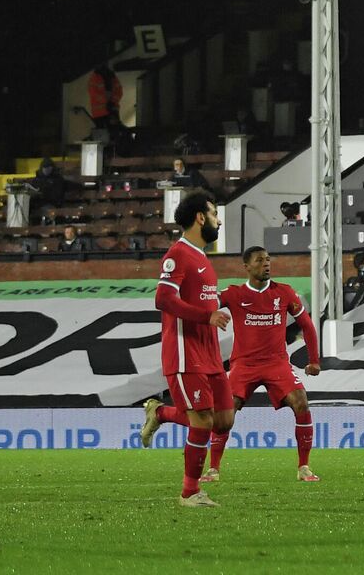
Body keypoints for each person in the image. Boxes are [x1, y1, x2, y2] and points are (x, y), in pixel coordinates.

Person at [192, 246, 324, 483]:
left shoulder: (284, 293)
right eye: (260, 260)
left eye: (268, 259)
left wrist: (314, 360)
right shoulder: (234, 294)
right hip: (244, 365)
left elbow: (307, 325)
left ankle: (304, 467)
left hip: (277, 364)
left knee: (301, 402)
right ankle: (213, 469)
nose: (266, 264)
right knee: (224, 413)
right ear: (247, 267)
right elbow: (206, 304)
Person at [137, 192, 232, 508]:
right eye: (215, 213)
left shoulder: (203, 258)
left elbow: (203, 299)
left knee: (223, 420)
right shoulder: (177, 254)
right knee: (202, 421)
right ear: (200, 218)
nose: (219, 220)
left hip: (210, 354)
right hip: (184, 353)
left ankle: (160, 412)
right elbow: (163, 299)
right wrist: (208, 315)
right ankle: (190, 492)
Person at [88, 62, 123, 134]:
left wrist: (111, 101)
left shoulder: (112, 76)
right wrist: (109, 101)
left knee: (113, 134)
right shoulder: (95, 78)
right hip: (102, 113)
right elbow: (94, 94)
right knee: (105, 135)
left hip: (109, 111)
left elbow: (119, 91)